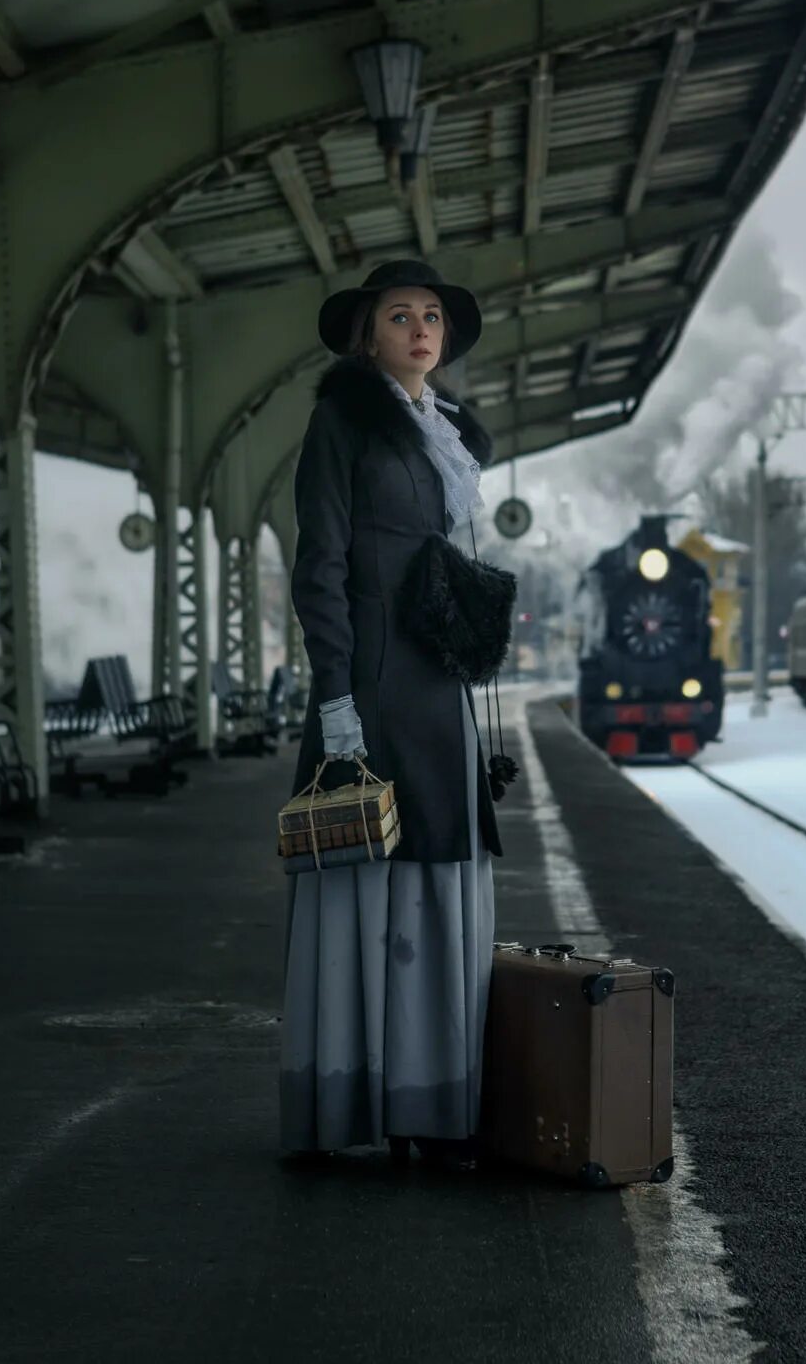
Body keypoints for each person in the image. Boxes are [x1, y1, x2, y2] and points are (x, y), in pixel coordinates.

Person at [279, 258, 503, 1172]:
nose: (419, 329)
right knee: (370, 867)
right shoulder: (342, 421)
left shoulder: (444, 429)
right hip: (371, 678)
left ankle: (433, 1104)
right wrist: (335, 701)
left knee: (439, 868)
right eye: (400, 316)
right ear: (368, 334)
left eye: (432, 318)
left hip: (438, 678)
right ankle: (354, 1099)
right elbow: (318, 569)